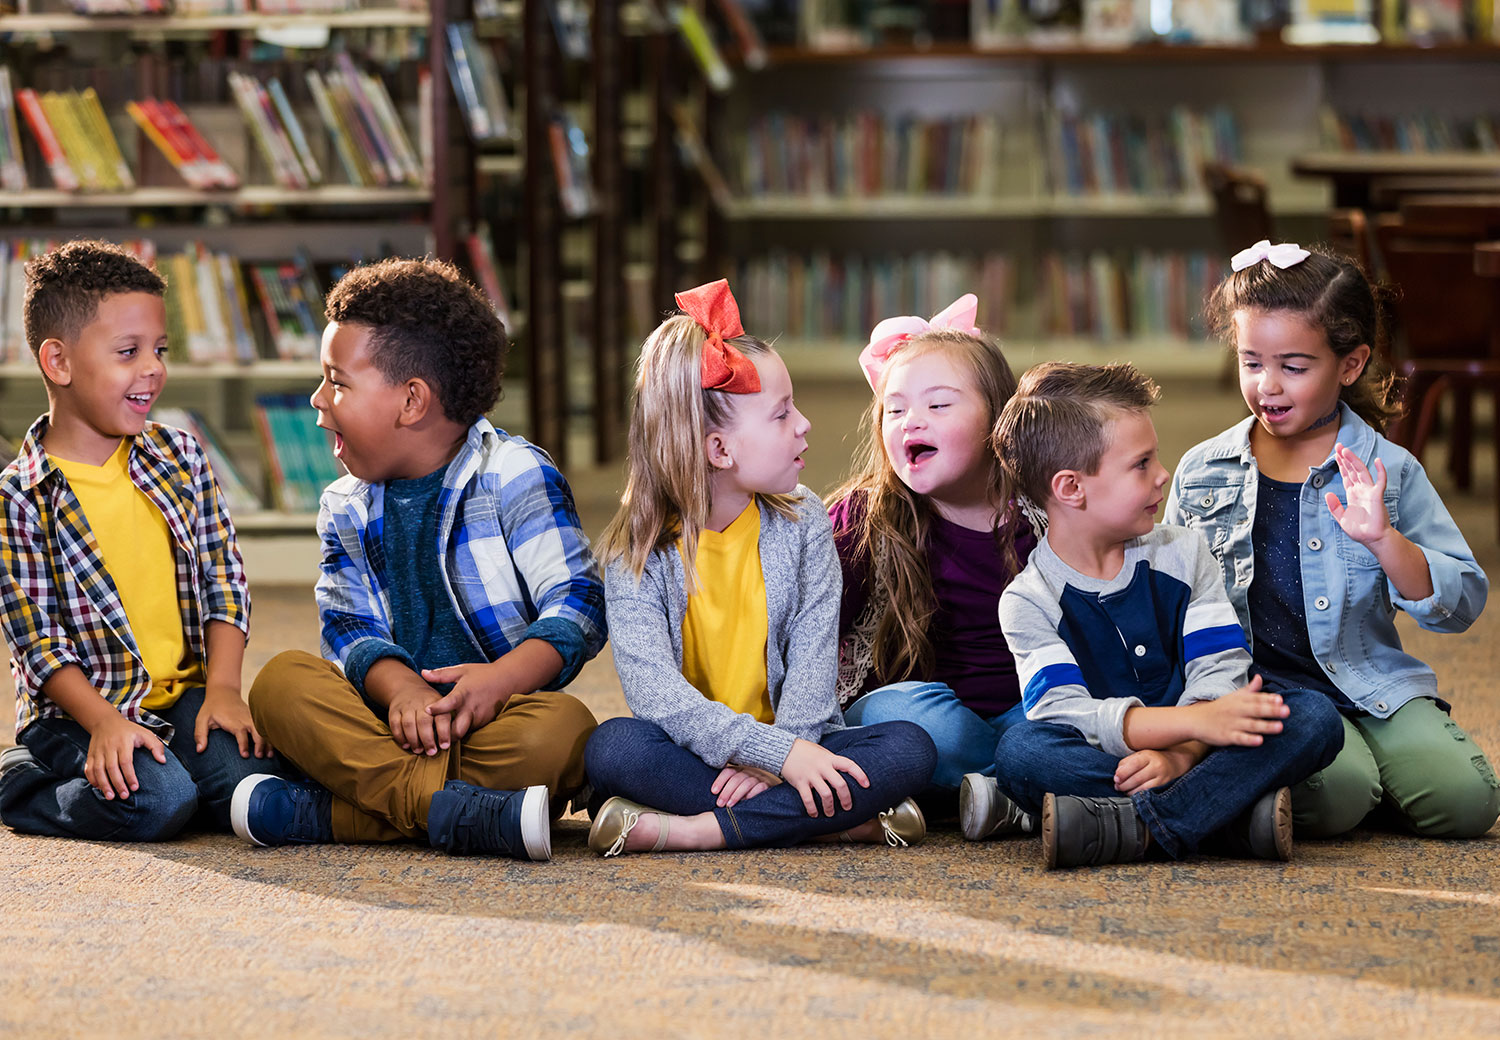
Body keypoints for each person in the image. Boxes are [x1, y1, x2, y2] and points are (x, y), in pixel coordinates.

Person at [232, 257, 604, 861]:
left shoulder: (514, 474)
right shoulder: (344, 506)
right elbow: (349, 626)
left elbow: (579, 603)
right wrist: (401, 688)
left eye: (337, 381)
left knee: (565, 732)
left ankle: (337, 814)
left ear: (411, 401)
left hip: (490, 721)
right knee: (281, 684)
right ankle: (456, 812)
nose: (317, 399)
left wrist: (498, 681)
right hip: (385, 722)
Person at [582, 279, 937, 856]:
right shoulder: (633, 553)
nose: (805, 425)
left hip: (803, 741)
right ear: (718, 450)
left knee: (910, 747)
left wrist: (785, 754)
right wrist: (778, 760)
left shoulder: (806, 521)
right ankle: (832, 822)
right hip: (700, 753)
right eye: (781, 415)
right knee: (614, 748)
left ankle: (699, 831)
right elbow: (659, 700)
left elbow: (814, 664)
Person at [1165, 241, 1497, 839]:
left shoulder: (1390, 470)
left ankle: (1289, 787)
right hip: (1261, 693)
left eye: (1294, 367)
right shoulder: (1201, 470)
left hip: (1369, 681)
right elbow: (1166, 599)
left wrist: (1385, 540)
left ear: (1349, 364)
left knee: (1467, 804)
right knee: (1340, 799)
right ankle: (1320, 781)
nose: (1268, 385)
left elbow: (1463, 601)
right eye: (1251, 362)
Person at [985, 361, 1344, 869]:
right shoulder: (1027, 601)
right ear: (1071, 488)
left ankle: (1135, 827)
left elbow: (1221, 669)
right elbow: (1065, 713)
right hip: (1113, 754)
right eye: (1141, 464)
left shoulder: (1185, 552)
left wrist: (1184, 752)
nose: (1163, 475)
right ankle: (1225, 818)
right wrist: (1188, 726)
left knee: (1312, 717)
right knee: (1022, 754)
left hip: (1203, 742)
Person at [0, 239, 287, 841]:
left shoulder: (179, 455)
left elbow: (224, 581)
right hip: (76, 710)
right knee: (159, 804)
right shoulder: (19, 496)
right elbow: (38, 643)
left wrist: (227, 691)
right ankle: (21, 784)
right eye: (128, 352)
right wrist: (103, 723)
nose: (153, 368)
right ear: (58, 362)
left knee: (255, 781)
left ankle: (175, 762)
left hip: (178, 693)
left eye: (159, 349)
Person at [824, 295, 1037, 837]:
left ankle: (1008, 783)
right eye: (894, 410)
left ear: (1000, 419)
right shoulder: (860, 518)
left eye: (938, 406)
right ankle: (1028, 786)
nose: (911, 420)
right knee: (906, 718)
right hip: (925, 721)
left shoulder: (1044, 515)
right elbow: (807, 634)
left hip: (1026, 711)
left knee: (1061, 722)